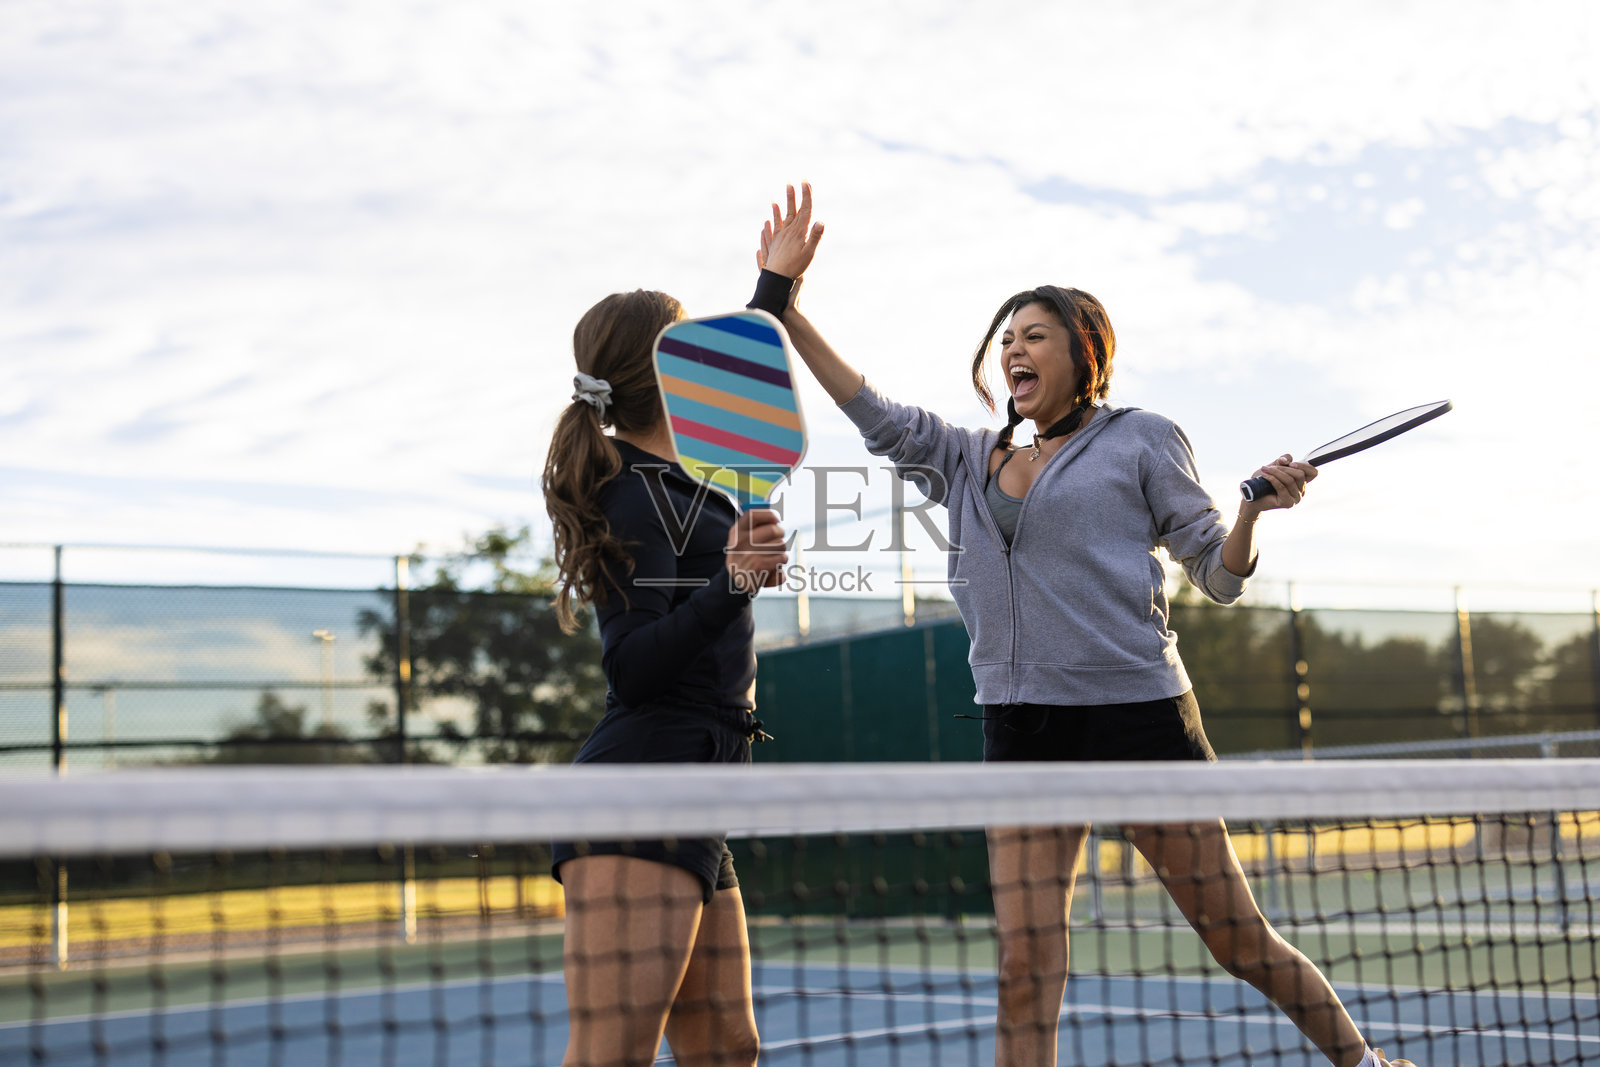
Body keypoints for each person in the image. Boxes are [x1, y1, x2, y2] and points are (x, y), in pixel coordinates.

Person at [752, 183, 1417, 1067]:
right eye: (1007, 338)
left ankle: (1366, 1064)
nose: (1013, 349)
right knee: (1027, 965)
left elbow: (1218, 576)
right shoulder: (963, 456)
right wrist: (789, 306)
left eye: (1033, 335)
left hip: (1140, 718)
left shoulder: (1142, 438)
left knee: (1236, 940)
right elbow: (867, 406)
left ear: (1083, 352)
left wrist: (1256, 512)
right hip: (1020, 729)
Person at [541, 287, 790, 1066]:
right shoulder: (632, 493)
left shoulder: (681, 479)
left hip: (699, 785)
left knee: (726, 1045)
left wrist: (775, 288)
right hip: (643, 790)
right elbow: (633, 666)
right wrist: (735, 583)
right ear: (667, 369)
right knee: (612, 1052)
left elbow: (748, 370)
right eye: (688, 345)